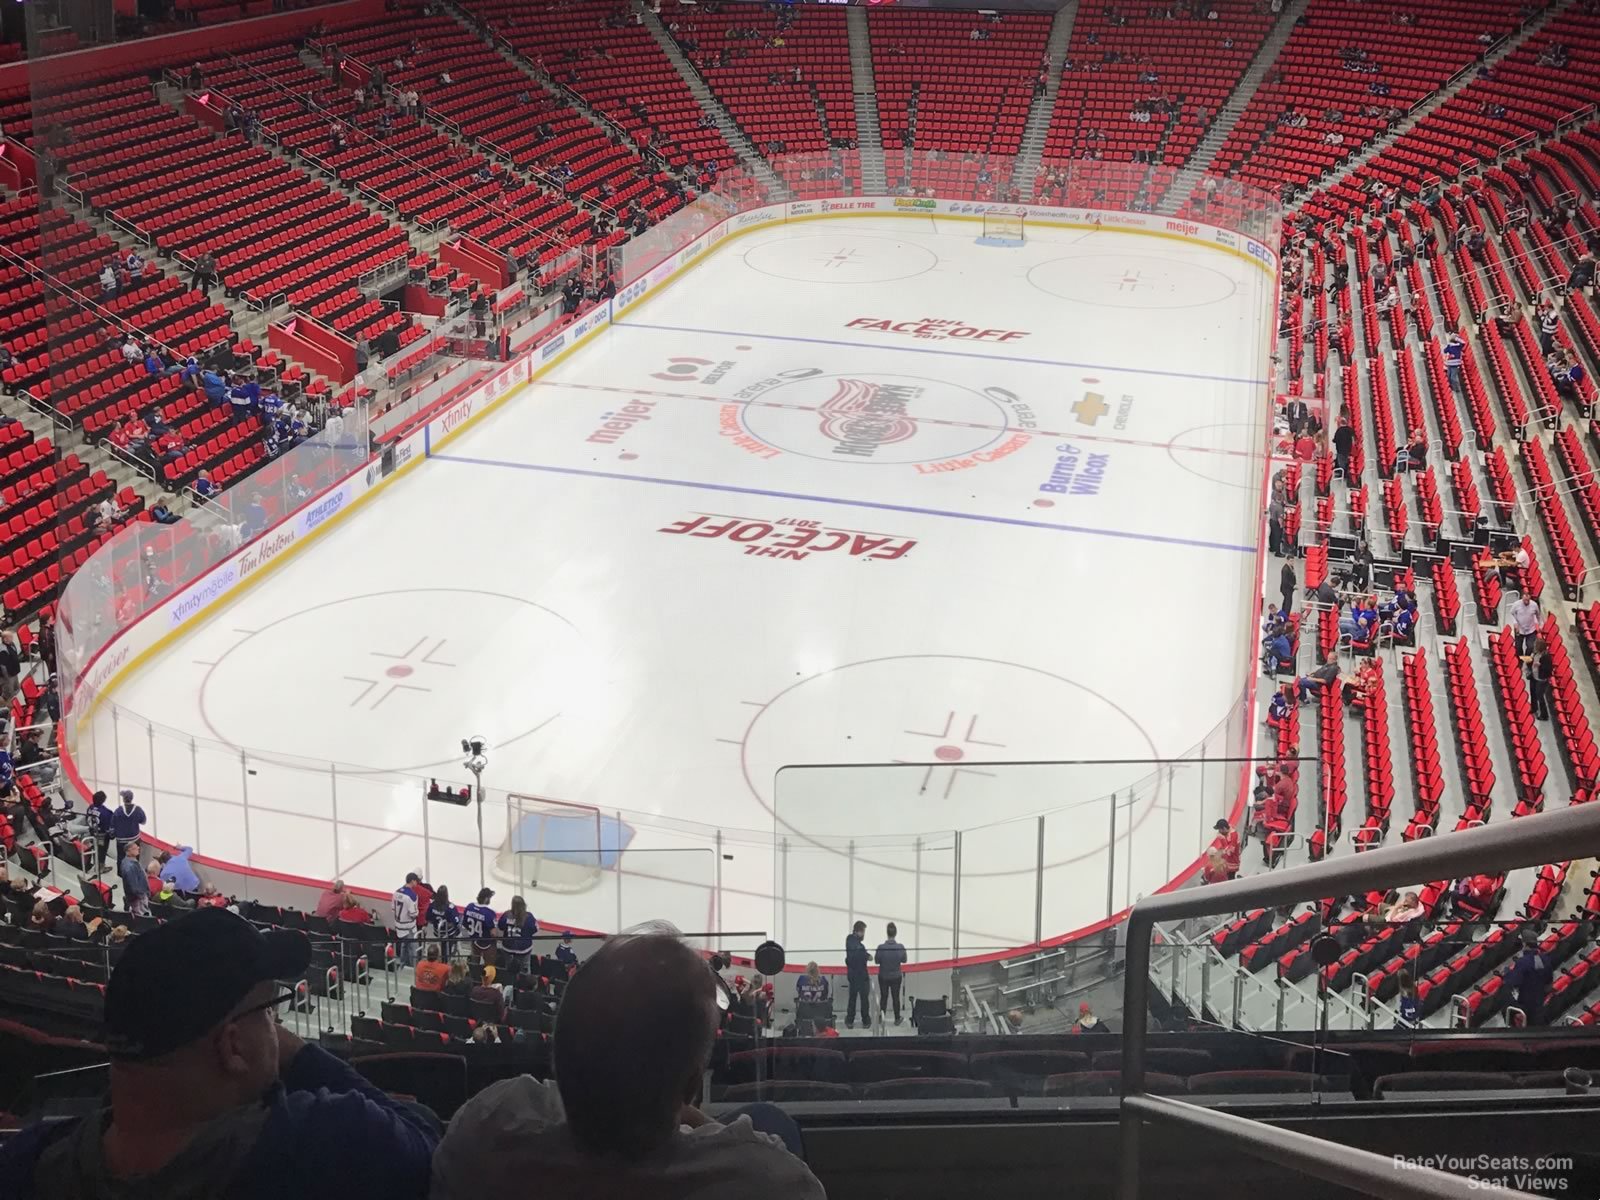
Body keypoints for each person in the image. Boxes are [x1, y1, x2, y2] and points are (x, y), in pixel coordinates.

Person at [0, 908, 438, 1198]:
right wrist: (297, 1054)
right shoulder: (324, 1141)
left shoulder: (29, 1162)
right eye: (270, 1012)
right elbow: (430, 1145)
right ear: (232, 1046)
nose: (276, 1028)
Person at [429, 933, 823, 1198]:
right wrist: (687, 1111)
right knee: (769, 1117)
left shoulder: (481, 1130)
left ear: (559, 1056)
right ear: (690, 1090)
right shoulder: (770, 1182)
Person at [1506, 932, 1554, 1024]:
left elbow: (1513, 982)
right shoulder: (1545, 959)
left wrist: (1508, 972)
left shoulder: (1522, 962)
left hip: (1526, 1007)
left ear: (1524, 944)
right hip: (1540, 1005)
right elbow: (1548, 982)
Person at [874, 923, 907, 1026]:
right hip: (896, 976)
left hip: (883, 976)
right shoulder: (900, 947)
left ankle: (881, 1017)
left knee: (883, 997)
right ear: (895, 933)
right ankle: (897, 1018)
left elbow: (876, 961)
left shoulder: (881, 947)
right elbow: (904, 960)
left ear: (887, 933)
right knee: (896, 997)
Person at [497, 895, 538, 974]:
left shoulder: (506, 915)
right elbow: (535, 929)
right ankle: (525, 985)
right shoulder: (528, 917)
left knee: (509, 968)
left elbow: (500, 926)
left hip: (507, 948)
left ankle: (510, 982)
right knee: (525, 969)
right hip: (523, 949)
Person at [844, 919, 870, 1029]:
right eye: (863, 931)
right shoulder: (853, 942)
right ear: (857, 931)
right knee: (860, 999)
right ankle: (863, 1020)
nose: (863, 934)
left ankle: (853, 1020)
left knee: (855, 999)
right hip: (859, 975)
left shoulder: (855, 943)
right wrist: (866, 955)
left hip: (855, 975)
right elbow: (857, 956)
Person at [391, 873, 421, 966]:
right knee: (413, 949)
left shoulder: (396, 892)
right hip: (408, 927)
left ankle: (403, 965)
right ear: (412, 881)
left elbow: (393, 909)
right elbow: (413, 914)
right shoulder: (412, 895)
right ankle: (414, 968)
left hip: (398, 926)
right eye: (416, 881)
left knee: (404, 946)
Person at [110, 789, 146, 863]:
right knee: (134, 859)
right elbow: (143, 821)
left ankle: (120, 874)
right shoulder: (138, 810)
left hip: (121, 840)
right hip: (134, 839)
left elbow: (112, 824)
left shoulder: (118, 811)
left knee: (121, 859)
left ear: (123, 799)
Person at [462, 887, 497, 963]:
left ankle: (474, 973)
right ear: (487, 899)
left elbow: (465, 924)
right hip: (486, 943)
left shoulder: (469, 907)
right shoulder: (489, 913)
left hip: (474, 941)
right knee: (489, 965)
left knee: (474, 963)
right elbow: (493, 933)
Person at [1527, 634, 1554, 721]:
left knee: (1540, 696)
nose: (1534, 646)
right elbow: (1530, 662)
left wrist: (1540, 665)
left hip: (1541, 680)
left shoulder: (1546, 657)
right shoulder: (1535, 653)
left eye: (1536, 645)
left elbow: (1548, 670)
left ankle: (1544, 714)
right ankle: (1534, 708)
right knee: (1533, 694)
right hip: (1534, 677)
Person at [118, 849, 151, 917]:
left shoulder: (127, 864)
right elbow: (133, 888)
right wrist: (141, 895)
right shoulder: (129, 868)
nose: (138, 848)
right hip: (137, 899)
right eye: (135, 848)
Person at [1509, 591, 1541, 657]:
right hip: (1519, 629)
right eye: (1525, 600)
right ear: (1522, 597)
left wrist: (1539, 625)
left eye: (1528, 600)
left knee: (1530, 646)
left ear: (1530, 597)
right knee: (1518, 647)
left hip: (1531, 629)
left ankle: (1526, 658)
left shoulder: (1534, 605)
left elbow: (1538, 615)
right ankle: (1520, 659)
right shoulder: (1516, 604)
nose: (1526, 601)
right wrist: (1515, 623)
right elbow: (1511, 613)